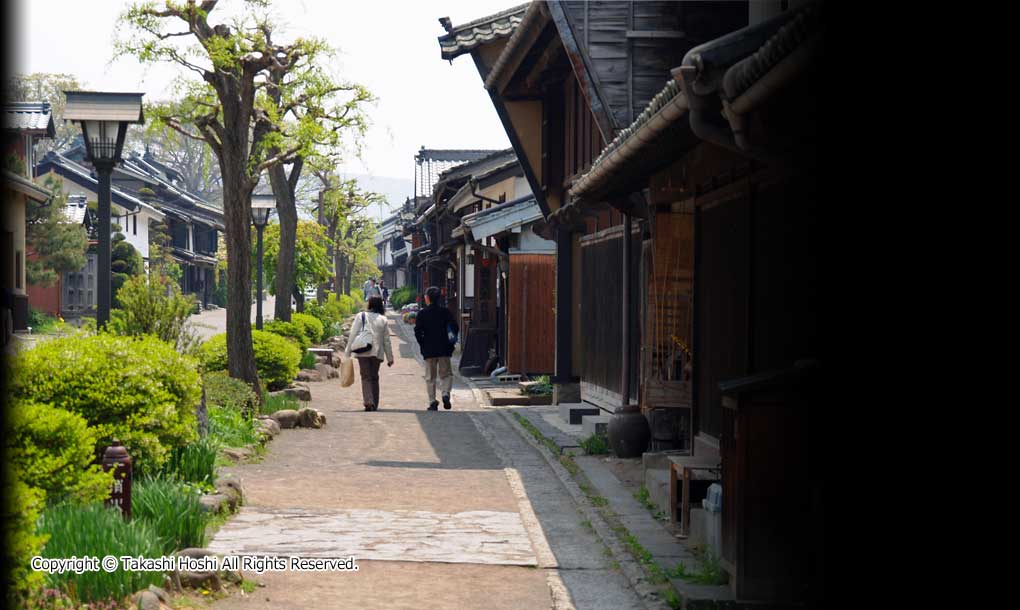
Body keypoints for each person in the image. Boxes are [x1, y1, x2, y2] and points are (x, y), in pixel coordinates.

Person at [344, 296, 394, 411]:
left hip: (363, 351)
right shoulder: (383, 319)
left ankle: (368, 401)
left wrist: (348, 351)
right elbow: (387, 340)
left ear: (370, 305)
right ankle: (374, 403)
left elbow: (353, 333)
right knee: (374, 377)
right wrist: (390, 358)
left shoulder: (361, 316)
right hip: (377, 353)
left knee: (365, 377)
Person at [414, 286, 457, 411]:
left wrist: (422, 343)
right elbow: (454, 327)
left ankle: (432, 401)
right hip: (444, 348)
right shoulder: (446, 312)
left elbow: (417, 331)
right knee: (446, 374)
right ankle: (445, 393)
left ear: (427, 298)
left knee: (430, 377)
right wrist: (451, 343)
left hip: (429, 349)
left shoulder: (422, 313)